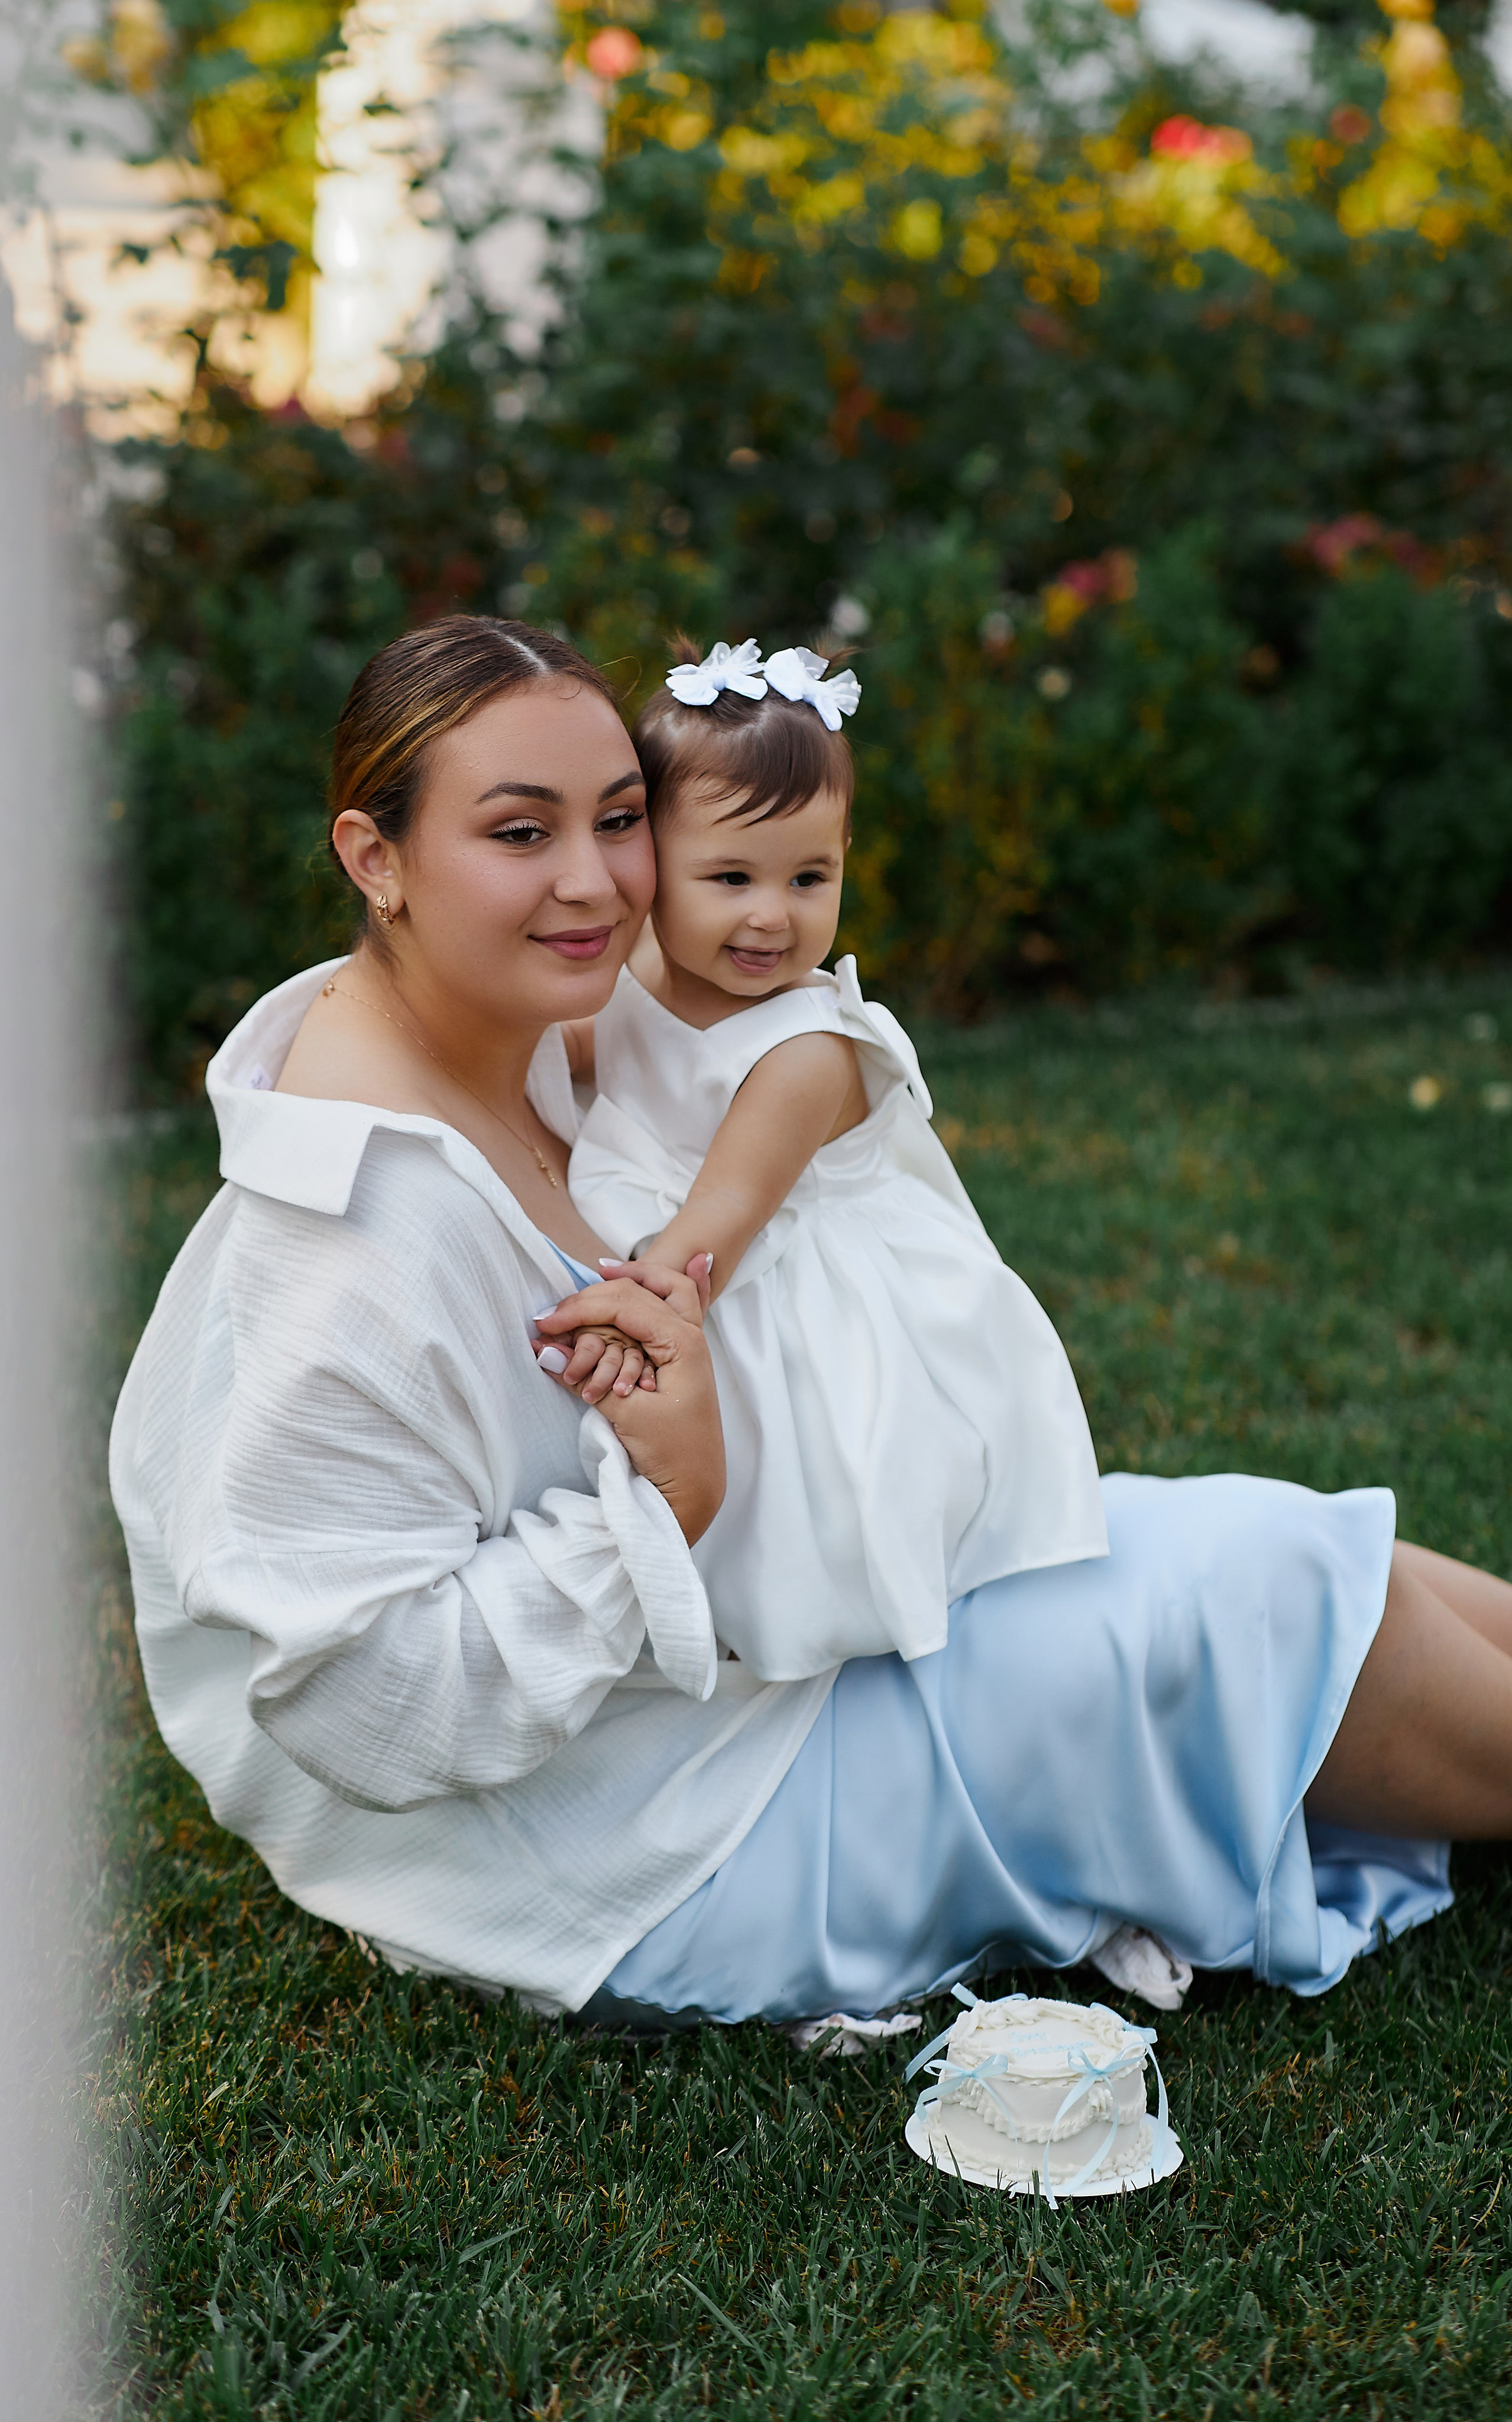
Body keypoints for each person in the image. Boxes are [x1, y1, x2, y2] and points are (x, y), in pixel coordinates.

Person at [111, 612, 1512, 2030]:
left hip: (761, 1652)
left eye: (616, 819)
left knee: (1259, 1541)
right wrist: (668, 1499)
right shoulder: (348, 1238)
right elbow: (365, 1701)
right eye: (520, 833)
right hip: (631, 1833)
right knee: (1235, 1595)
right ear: (375, 857)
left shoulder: (521, 1026)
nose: (593, 881)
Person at [558, 636, 1106, 1680]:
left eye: (810, 875)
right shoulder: (634, 965)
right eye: (729, 876)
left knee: (809, 1470)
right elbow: (568, 1056)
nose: (773, 914)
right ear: (650, 872)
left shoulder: (807, 1048)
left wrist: (631, 1314)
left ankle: (807, 1610)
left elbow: (714, 1225)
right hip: (715, 1247)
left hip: (785, 1275)